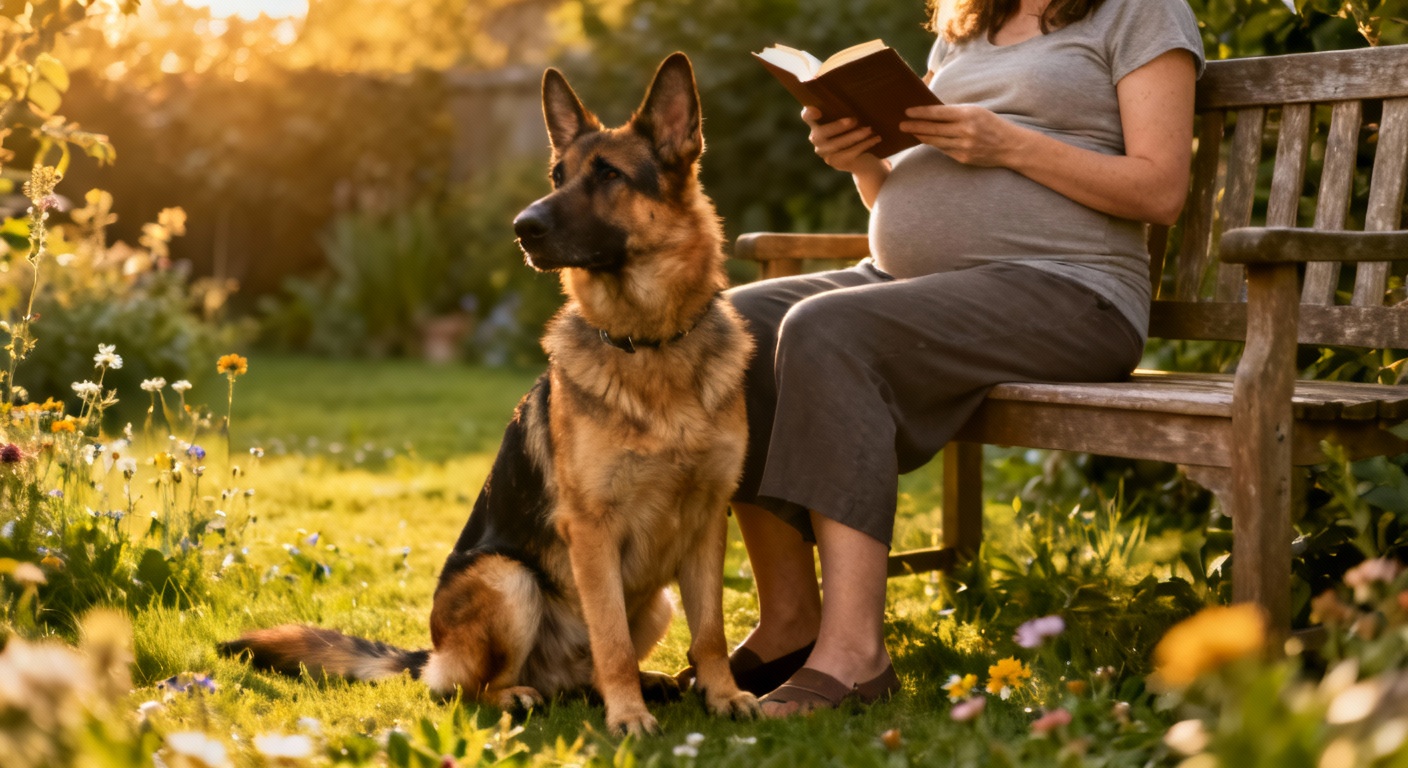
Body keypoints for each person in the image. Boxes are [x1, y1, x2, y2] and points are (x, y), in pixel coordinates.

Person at [721, 0, 1205, 716]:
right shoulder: (969, 26)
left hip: (1071, 291)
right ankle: (792, 622)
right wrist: (861, 161)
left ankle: (855, 657)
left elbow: (1161, 191)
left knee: (829, 329)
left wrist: (1010, 145)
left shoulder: (1140, 11)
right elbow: (902, 192)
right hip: (916, 283)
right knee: (730, 328)